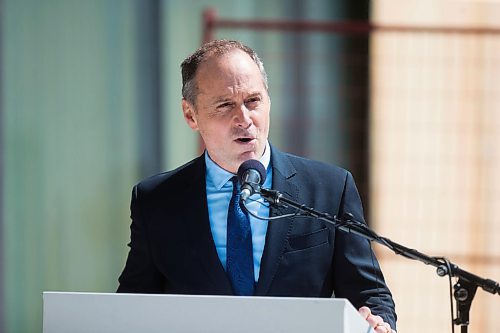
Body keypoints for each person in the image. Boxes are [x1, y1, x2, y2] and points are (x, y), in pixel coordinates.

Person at [118, 39, 396, 333]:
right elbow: (129, 308)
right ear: (191, 115)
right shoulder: (157, 201)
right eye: (225, 105)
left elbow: (371, 296)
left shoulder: (330, 188)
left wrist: (376, 322)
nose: (244, 119)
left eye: (253, 101)